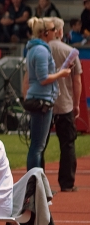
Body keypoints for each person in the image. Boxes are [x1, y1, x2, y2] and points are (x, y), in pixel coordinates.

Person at [24, 17, 72, 171]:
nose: (55, 33)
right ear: (45, 33)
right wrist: (61, 74)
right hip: (42, 99)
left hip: (38, 97)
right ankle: (34, 184)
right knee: (38, 146)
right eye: (52, 30)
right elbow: (43, 79)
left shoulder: (34, 48)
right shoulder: (41, 50)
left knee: (37, 145)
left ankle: (36, 184)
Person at [47, 17, 82, 192]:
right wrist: (76, 104)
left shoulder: (39, 51)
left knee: (39, 147)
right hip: (65, 104)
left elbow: (27, 81)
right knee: (67, 144)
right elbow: (77, 82)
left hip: (43, 104)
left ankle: (39, 186)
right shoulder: (70, 52)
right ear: (60, 31)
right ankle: (67, 183)